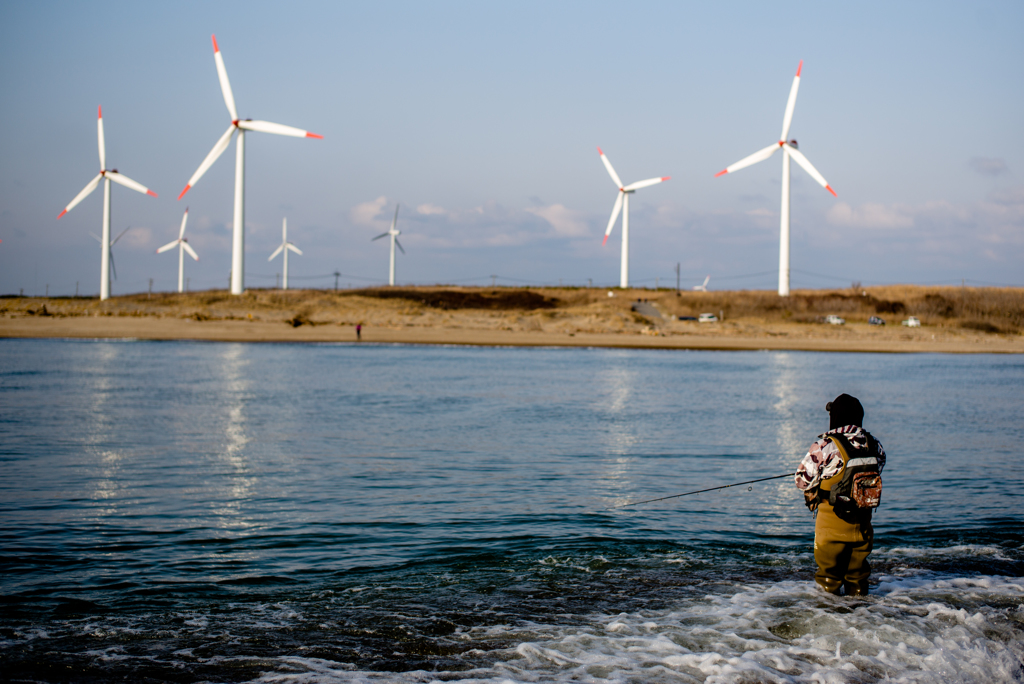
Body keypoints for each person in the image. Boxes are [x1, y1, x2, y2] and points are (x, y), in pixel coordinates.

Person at [795, 394, 886, 596]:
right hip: (863, 523)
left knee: (829, 576)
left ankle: (830, 619)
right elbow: (878, 468)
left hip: (831, 524)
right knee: (858, 575)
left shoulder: (825, 446)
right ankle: (862, 616)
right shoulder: (874, 444)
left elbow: (802, 481)